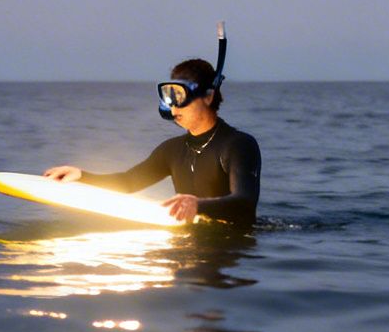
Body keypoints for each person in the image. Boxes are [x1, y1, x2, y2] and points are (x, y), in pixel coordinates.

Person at [44, 54, 261, 227]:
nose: (174, 107)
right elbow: (129, 182)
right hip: (188, 247)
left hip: (234, 253)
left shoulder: (238, 145)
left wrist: (198, 205)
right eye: (169, 99)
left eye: (180, 97)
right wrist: (82, 176)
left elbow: (245, 203)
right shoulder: (172, 150)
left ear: (208, 96)